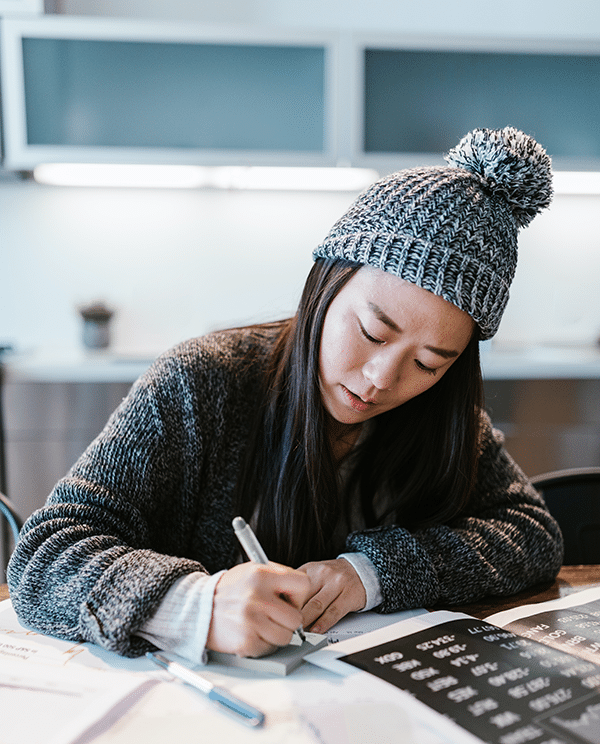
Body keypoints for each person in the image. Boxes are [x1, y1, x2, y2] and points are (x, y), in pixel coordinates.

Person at [7, 126, 563, 664]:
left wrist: (368, 574)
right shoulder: (203, 383)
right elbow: (43, 557)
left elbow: (533, 533)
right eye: (371, 332)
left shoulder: (440, 415)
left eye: (427, 364)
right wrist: (193, 605)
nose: (380, 379)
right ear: (324, 287)